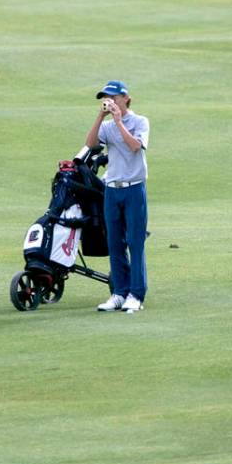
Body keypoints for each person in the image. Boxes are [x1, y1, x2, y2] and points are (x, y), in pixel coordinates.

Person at [85, 80, 150, 312]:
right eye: (106, 97)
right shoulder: (106, 126)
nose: (109, 101)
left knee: (135, 241)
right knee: (115, 243)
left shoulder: (140, 121)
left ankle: (136, 294)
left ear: (125, 98)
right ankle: (119, 293)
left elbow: (134, 146)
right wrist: (100, 118)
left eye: (113, 97)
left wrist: (120, 122)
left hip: (134, 188)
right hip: (112, 190)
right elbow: (90, 144)